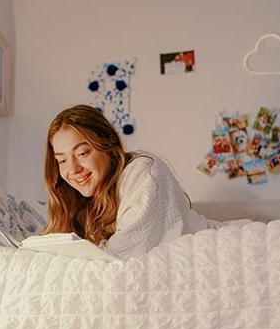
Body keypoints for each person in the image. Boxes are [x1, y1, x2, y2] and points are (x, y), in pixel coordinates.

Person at [44, 104, 219, 258]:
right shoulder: (78, 199)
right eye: (62, 160)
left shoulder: (145, 172)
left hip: (213, 246)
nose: (73, 170)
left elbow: (125, 252)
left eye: (82, 153)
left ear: (109, 144)